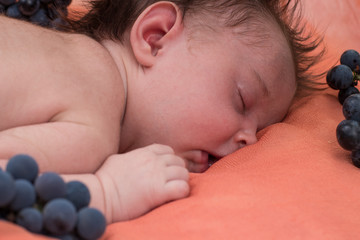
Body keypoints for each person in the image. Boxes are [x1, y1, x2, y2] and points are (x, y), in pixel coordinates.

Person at [0, 0, 323, 223]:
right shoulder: (94, 110)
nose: (249, 140)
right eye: (241, 100)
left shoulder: (65, 60)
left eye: (262, 128)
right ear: (155, 37)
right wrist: (107, 193)